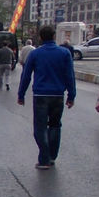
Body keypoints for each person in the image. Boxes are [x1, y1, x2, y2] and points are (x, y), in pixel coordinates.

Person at [17, 26, 76, 170]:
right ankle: (51, 156)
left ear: (41, 38)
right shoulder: (64, 53)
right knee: (55, 125)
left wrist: (21, 94)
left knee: (40, 127)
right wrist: (71, 95)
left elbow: (26, 76)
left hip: (40, 95)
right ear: (54, 36)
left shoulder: (36, 54)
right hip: (58, 95)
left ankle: (44, 158)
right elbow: (70, 75)